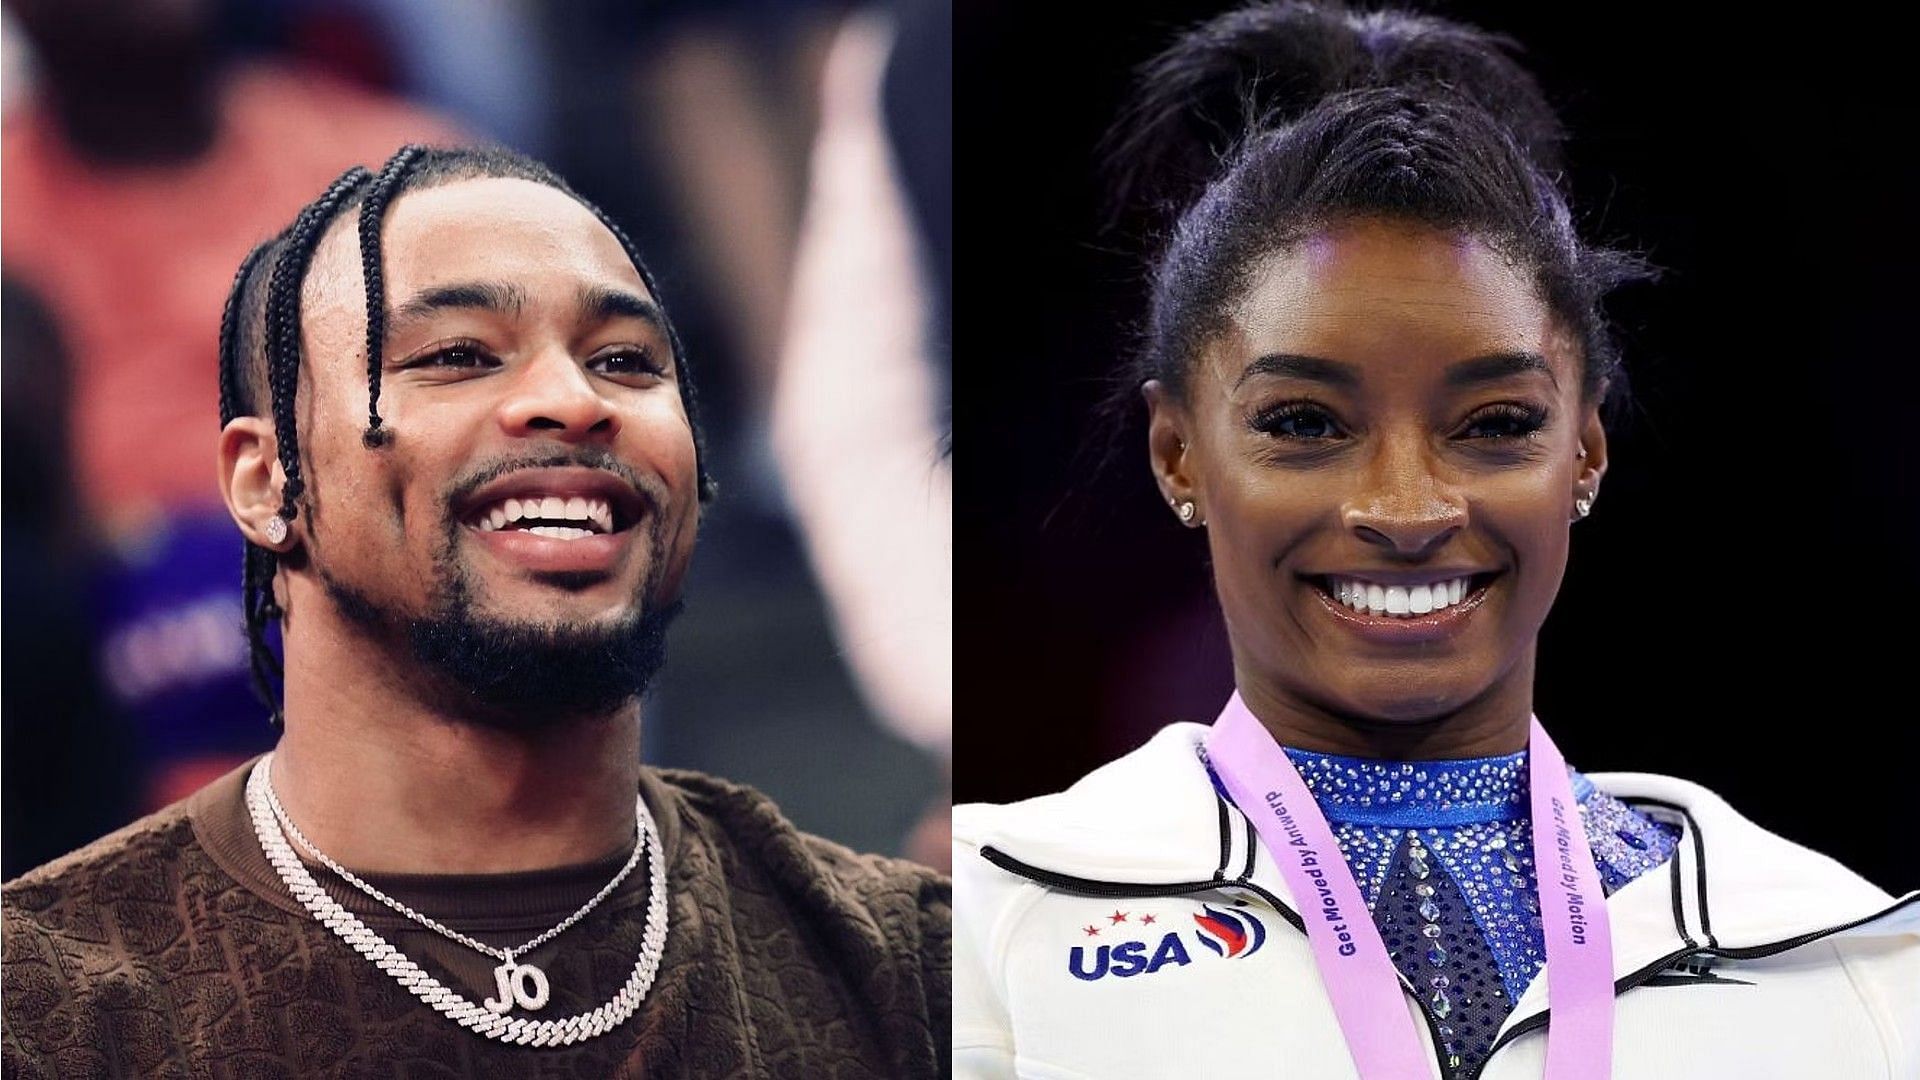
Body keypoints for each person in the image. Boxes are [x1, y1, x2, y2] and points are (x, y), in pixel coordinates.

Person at [952, 5, 1920, 1078]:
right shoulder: (987, 929)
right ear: (1179, 454)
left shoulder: (1843, 955)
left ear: (1586, 451)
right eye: (1305, 425)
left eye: (1496, 425)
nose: (1408, 511)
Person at [1, 144, 949, 1079]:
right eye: (458, 355)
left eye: (625, 360)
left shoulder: (911, 968)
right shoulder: (44, 1011)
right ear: (266, 480)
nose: (572, 401)